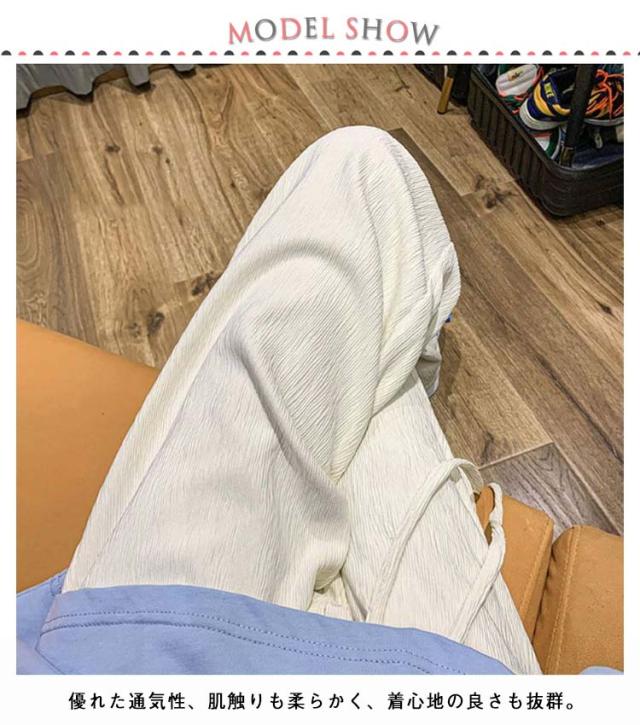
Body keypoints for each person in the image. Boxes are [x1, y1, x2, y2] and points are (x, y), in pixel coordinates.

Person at [17, 126, 541, 675]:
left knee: (360, 177)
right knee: (360, 165)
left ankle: (394, 339)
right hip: (454, 676)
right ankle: (397, 340)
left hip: (133, 656)